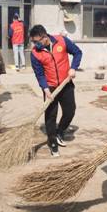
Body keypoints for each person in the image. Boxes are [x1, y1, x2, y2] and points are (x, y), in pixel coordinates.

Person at [29, 25, 82, 157]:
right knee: (51, 116)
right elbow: (39, 74)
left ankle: (60, 131)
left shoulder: (62, 41)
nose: (35, 45)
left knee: (70, 111)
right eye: (33, 42)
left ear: (45, 37)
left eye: (37, 41)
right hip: (50, 87)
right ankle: (52, 142)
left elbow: (77, 52)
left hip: (66, 84)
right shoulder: (35, 53)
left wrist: (73, 67)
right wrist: (45, 89)